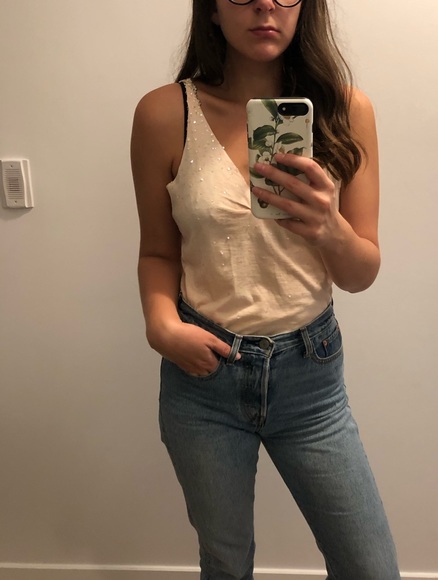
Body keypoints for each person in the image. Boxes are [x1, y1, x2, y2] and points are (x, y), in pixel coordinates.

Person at [131, 0, 400, 578]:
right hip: (204, 377)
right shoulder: (164, 113)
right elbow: (158, 251)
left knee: (370, 567)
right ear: (211, 9)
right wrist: (160, 325)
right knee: (226, 564)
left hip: (311, 380)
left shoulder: (345, 112)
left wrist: (329, 227)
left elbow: (360, 274)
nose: (264, 5)